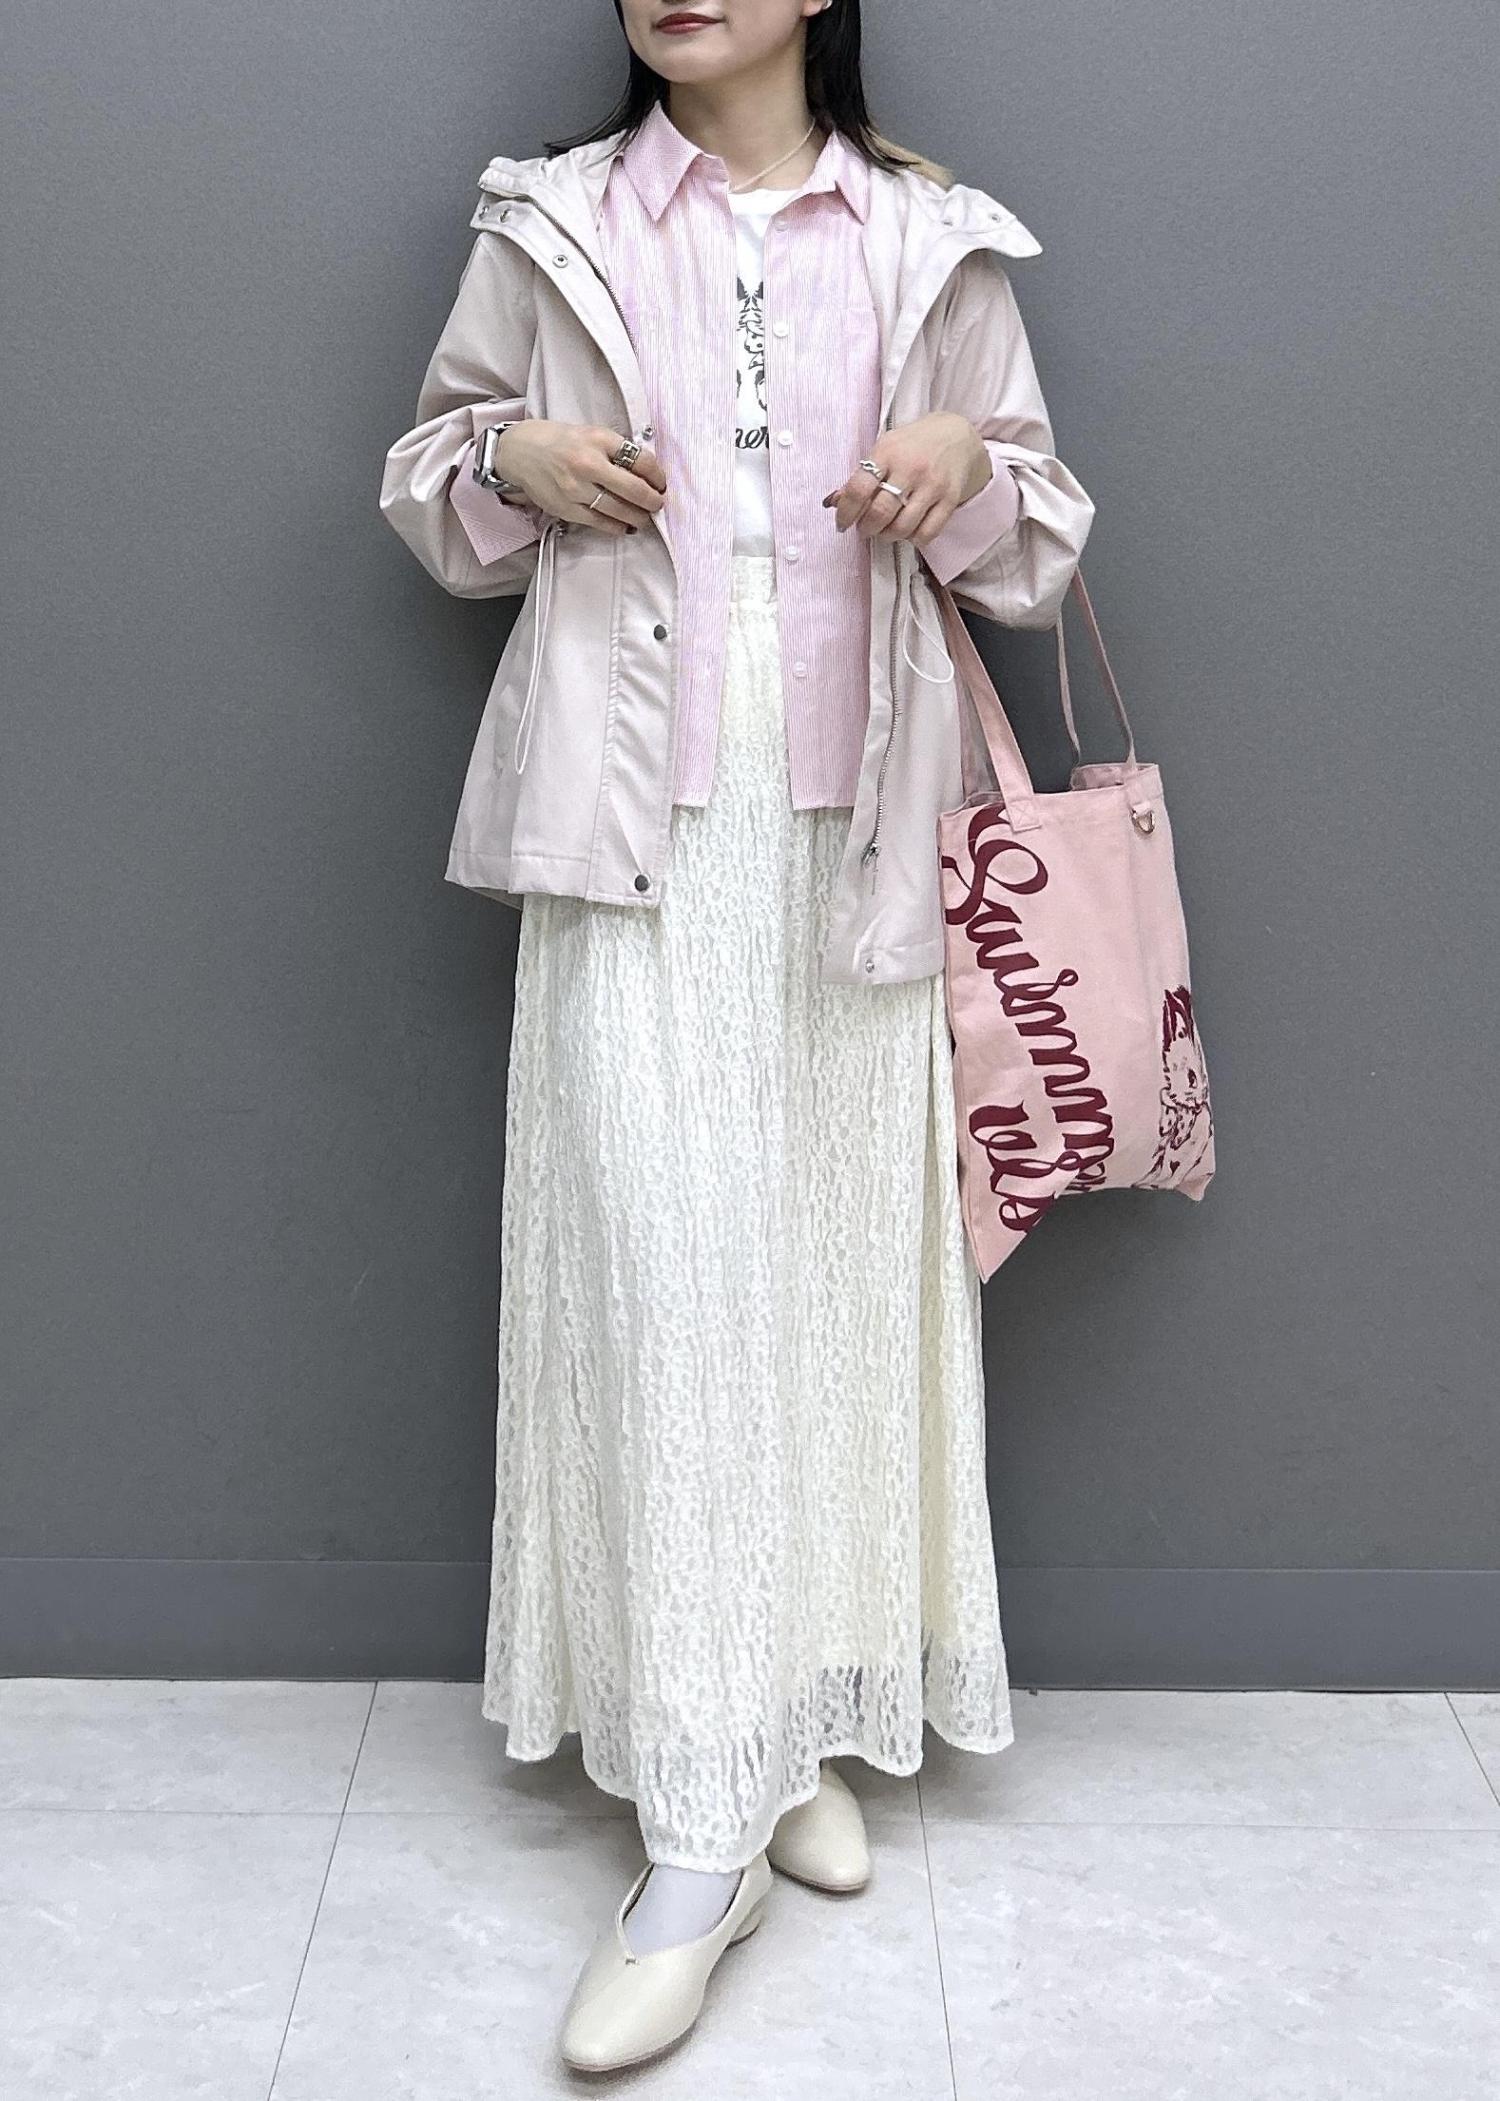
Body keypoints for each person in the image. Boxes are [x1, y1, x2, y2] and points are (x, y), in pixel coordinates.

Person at [379, 0, 1094, 2073]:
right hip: (634, 826)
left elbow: (1044, 538)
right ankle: (699, 1830)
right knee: (667, 1289)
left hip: (863, 824)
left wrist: (966, 472)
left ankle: (788, 1725)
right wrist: (510, 458)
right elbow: (427, 482)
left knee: (826, 1291)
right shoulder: (556, 219)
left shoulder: (932, 239)